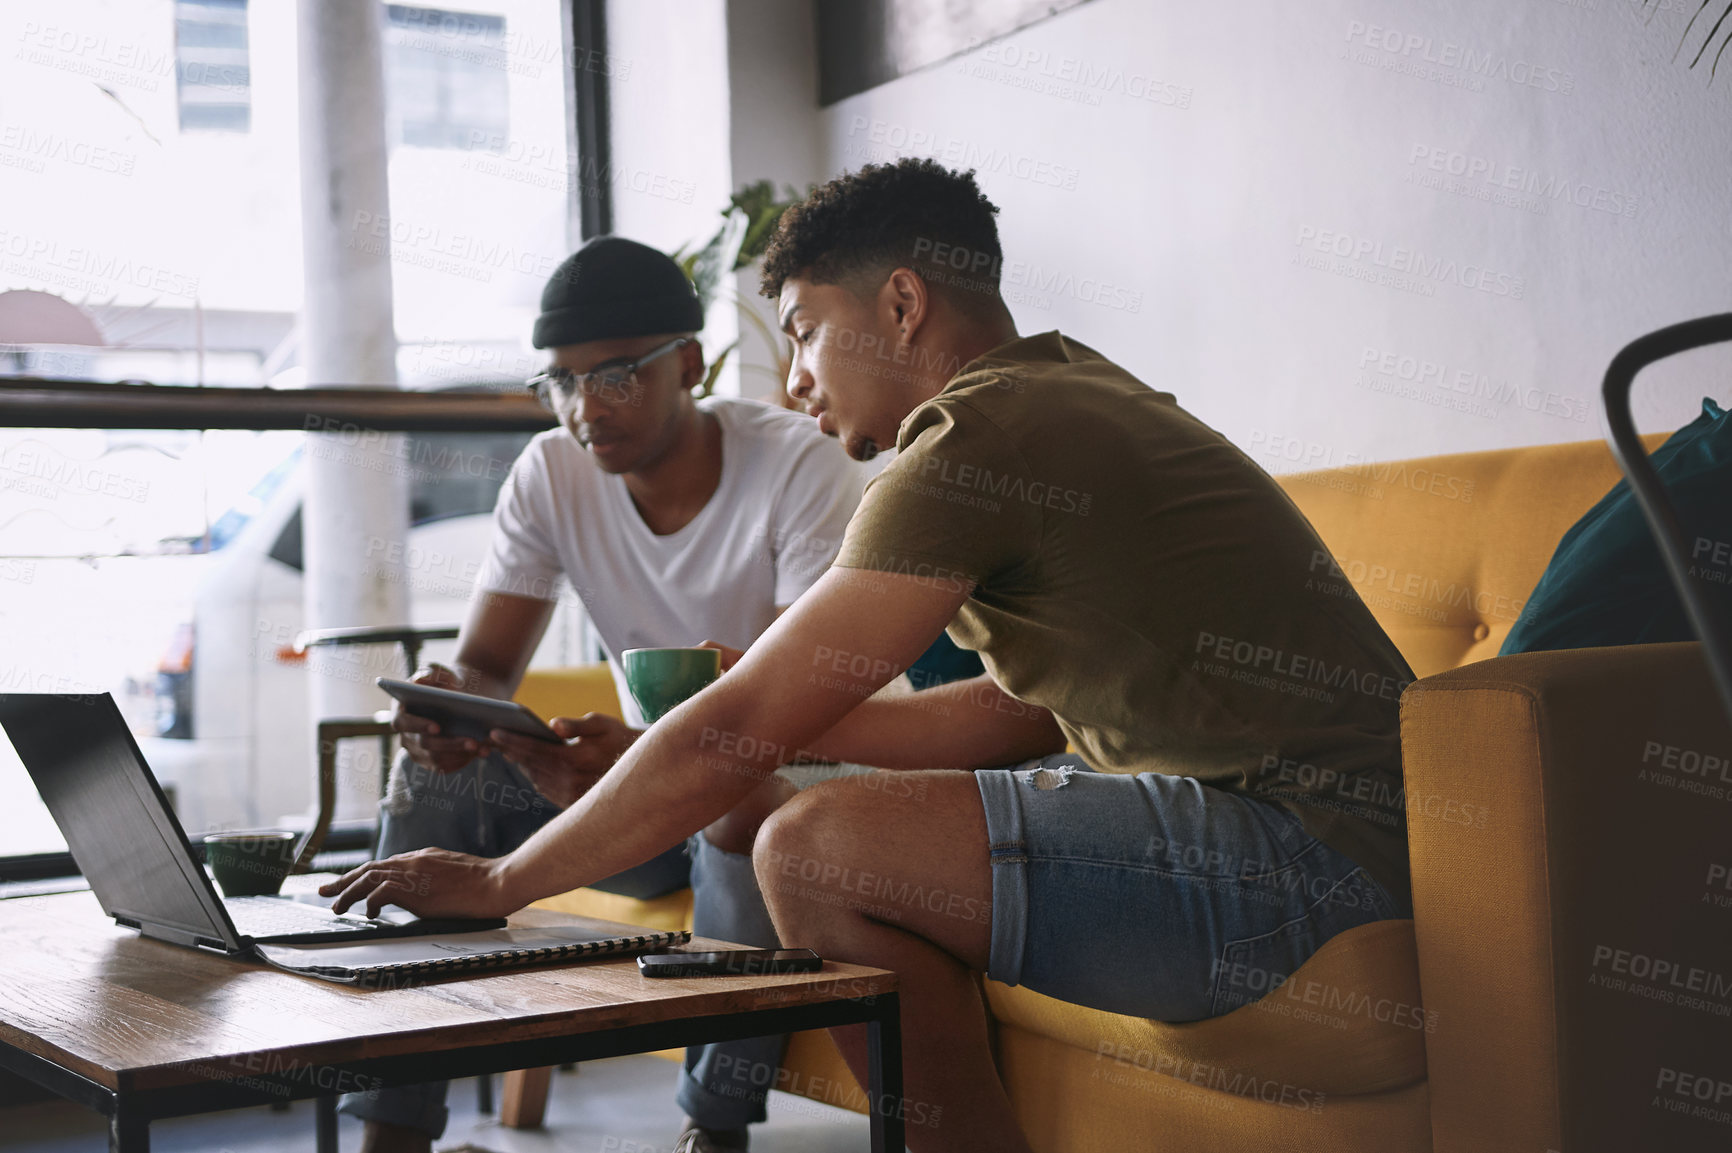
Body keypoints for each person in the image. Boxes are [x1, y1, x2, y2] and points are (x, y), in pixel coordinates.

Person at [324, 159, 1414, 1153]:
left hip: (1308, 858)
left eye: (800, 329)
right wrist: (787, 725)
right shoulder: (1067, 392)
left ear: (901, 303)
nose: (793, 378)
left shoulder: (974, 438)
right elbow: (1010, 710)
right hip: (1338, 833)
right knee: (785, 815)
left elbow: (739, 720)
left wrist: (504, 880)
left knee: (811, 845)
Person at [339, 234, 871, 1153]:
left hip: (768, 786)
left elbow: (799, 715)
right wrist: (448, 709)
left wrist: (653, 766)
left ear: (690, 363)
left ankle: (715, 1132)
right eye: (562, 381)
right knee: (432, 782)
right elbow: (484, 667)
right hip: (629, 800)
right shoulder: (551, 471)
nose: (586, 407)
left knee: (741, 810)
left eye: (618, 373)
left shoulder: (797, 467)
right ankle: (393, 1130)